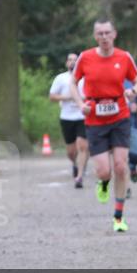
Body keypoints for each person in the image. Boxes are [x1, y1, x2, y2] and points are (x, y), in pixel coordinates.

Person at [69, 18, 137, 232]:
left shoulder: (124, 57)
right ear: (95, 36)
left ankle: (118, 218)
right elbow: (73, 83)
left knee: (121, 166)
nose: (104, 37)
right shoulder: (85, 58)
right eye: (100, 33)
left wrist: (133, 91)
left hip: (120, 116)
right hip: (94, 119)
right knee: (104, 171)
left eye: (107, 33)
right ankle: (103, 182)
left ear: (114, 34)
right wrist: (80, 103)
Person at [48, 53, 88, 188]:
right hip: (66, 117)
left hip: (83, 116)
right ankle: (76, 164)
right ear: (66, 63)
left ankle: (79, 177)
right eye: (70, 60)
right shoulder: (61, 78)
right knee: (71, 152)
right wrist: (67, 97)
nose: (73, 62)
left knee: (82, 145)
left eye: (76, 60)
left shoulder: (86, 77)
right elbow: (52, 96)